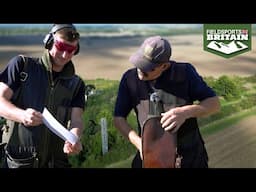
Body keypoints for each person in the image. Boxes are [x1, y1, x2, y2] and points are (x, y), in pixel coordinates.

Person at [113, 36, 221, 168]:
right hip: (150, 158)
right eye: (139, 63)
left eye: (147, 68)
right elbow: (118, 118)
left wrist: (186, 112)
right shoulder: (129, 79)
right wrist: (140, 145)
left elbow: (214, 103)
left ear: (164, 66)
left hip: (189, 156)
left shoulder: (184, 73)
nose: (140, 70)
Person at [0, 24, 86, 168]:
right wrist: (22, 116)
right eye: (61, 47)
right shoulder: (22, 66)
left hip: (56, 162)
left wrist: (74, 137)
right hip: (19, 161)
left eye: (71, 50)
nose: (65, 55)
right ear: (49, 42)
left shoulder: (77, 84)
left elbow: (76, 120)